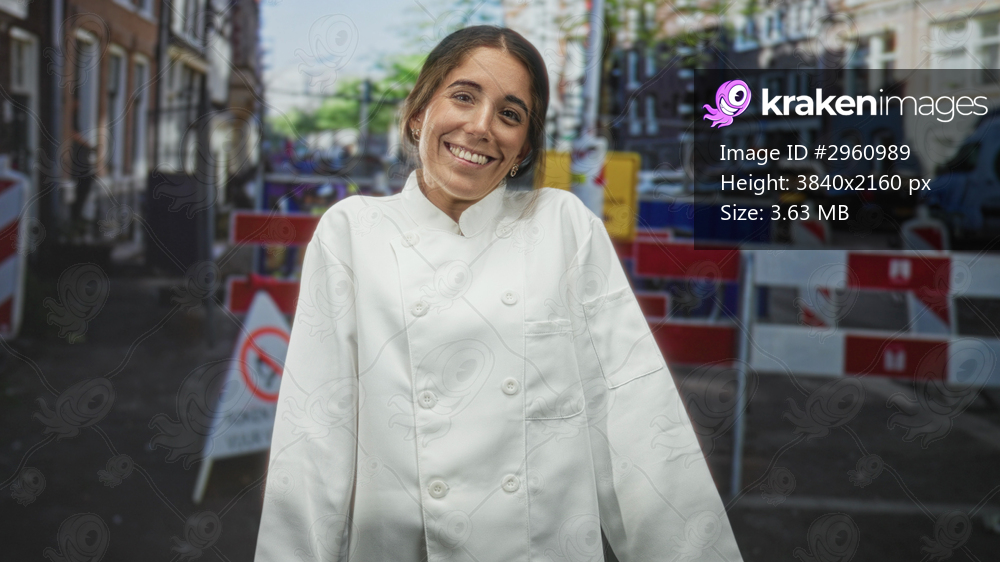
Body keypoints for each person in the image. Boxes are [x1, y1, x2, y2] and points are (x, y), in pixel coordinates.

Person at [254, 25, 744, 562]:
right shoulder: (353, 231)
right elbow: (313, 438)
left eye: (510, 114)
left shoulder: (562, 226)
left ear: (522, 149)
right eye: (464, 96)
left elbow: (636, 414)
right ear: (418, 112)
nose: (482, 126)